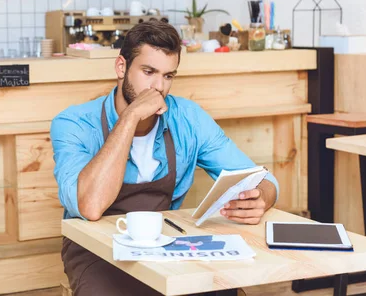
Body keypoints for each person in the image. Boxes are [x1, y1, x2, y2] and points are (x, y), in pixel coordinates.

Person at [51, 21, 279, 296]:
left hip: (165, 244)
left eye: (168, 76)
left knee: (223, 289)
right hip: (97, 252)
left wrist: (261, 197)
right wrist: (131, 117)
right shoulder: (73, 123)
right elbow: (90, 206)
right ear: (121, 67)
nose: (158, 87)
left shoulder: (188, 118)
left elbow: (261, 178)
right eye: (148, 72)